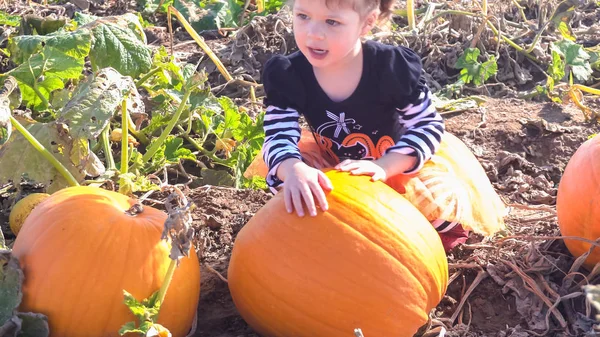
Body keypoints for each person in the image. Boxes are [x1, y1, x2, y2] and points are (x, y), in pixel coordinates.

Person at [251, 0, 506, 251]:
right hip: (335, 169)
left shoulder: (390, 68)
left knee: (442, 205)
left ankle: (417, 249)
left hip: (397, 167)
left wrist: (384, 166)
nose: (313, 33)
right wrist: (293, 169)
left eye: (332, 22)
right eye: (303, 16)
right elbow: (278, 133)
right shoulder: (289, 74)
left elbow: (426, 126)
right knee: (296, 185)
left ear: (367, 22)